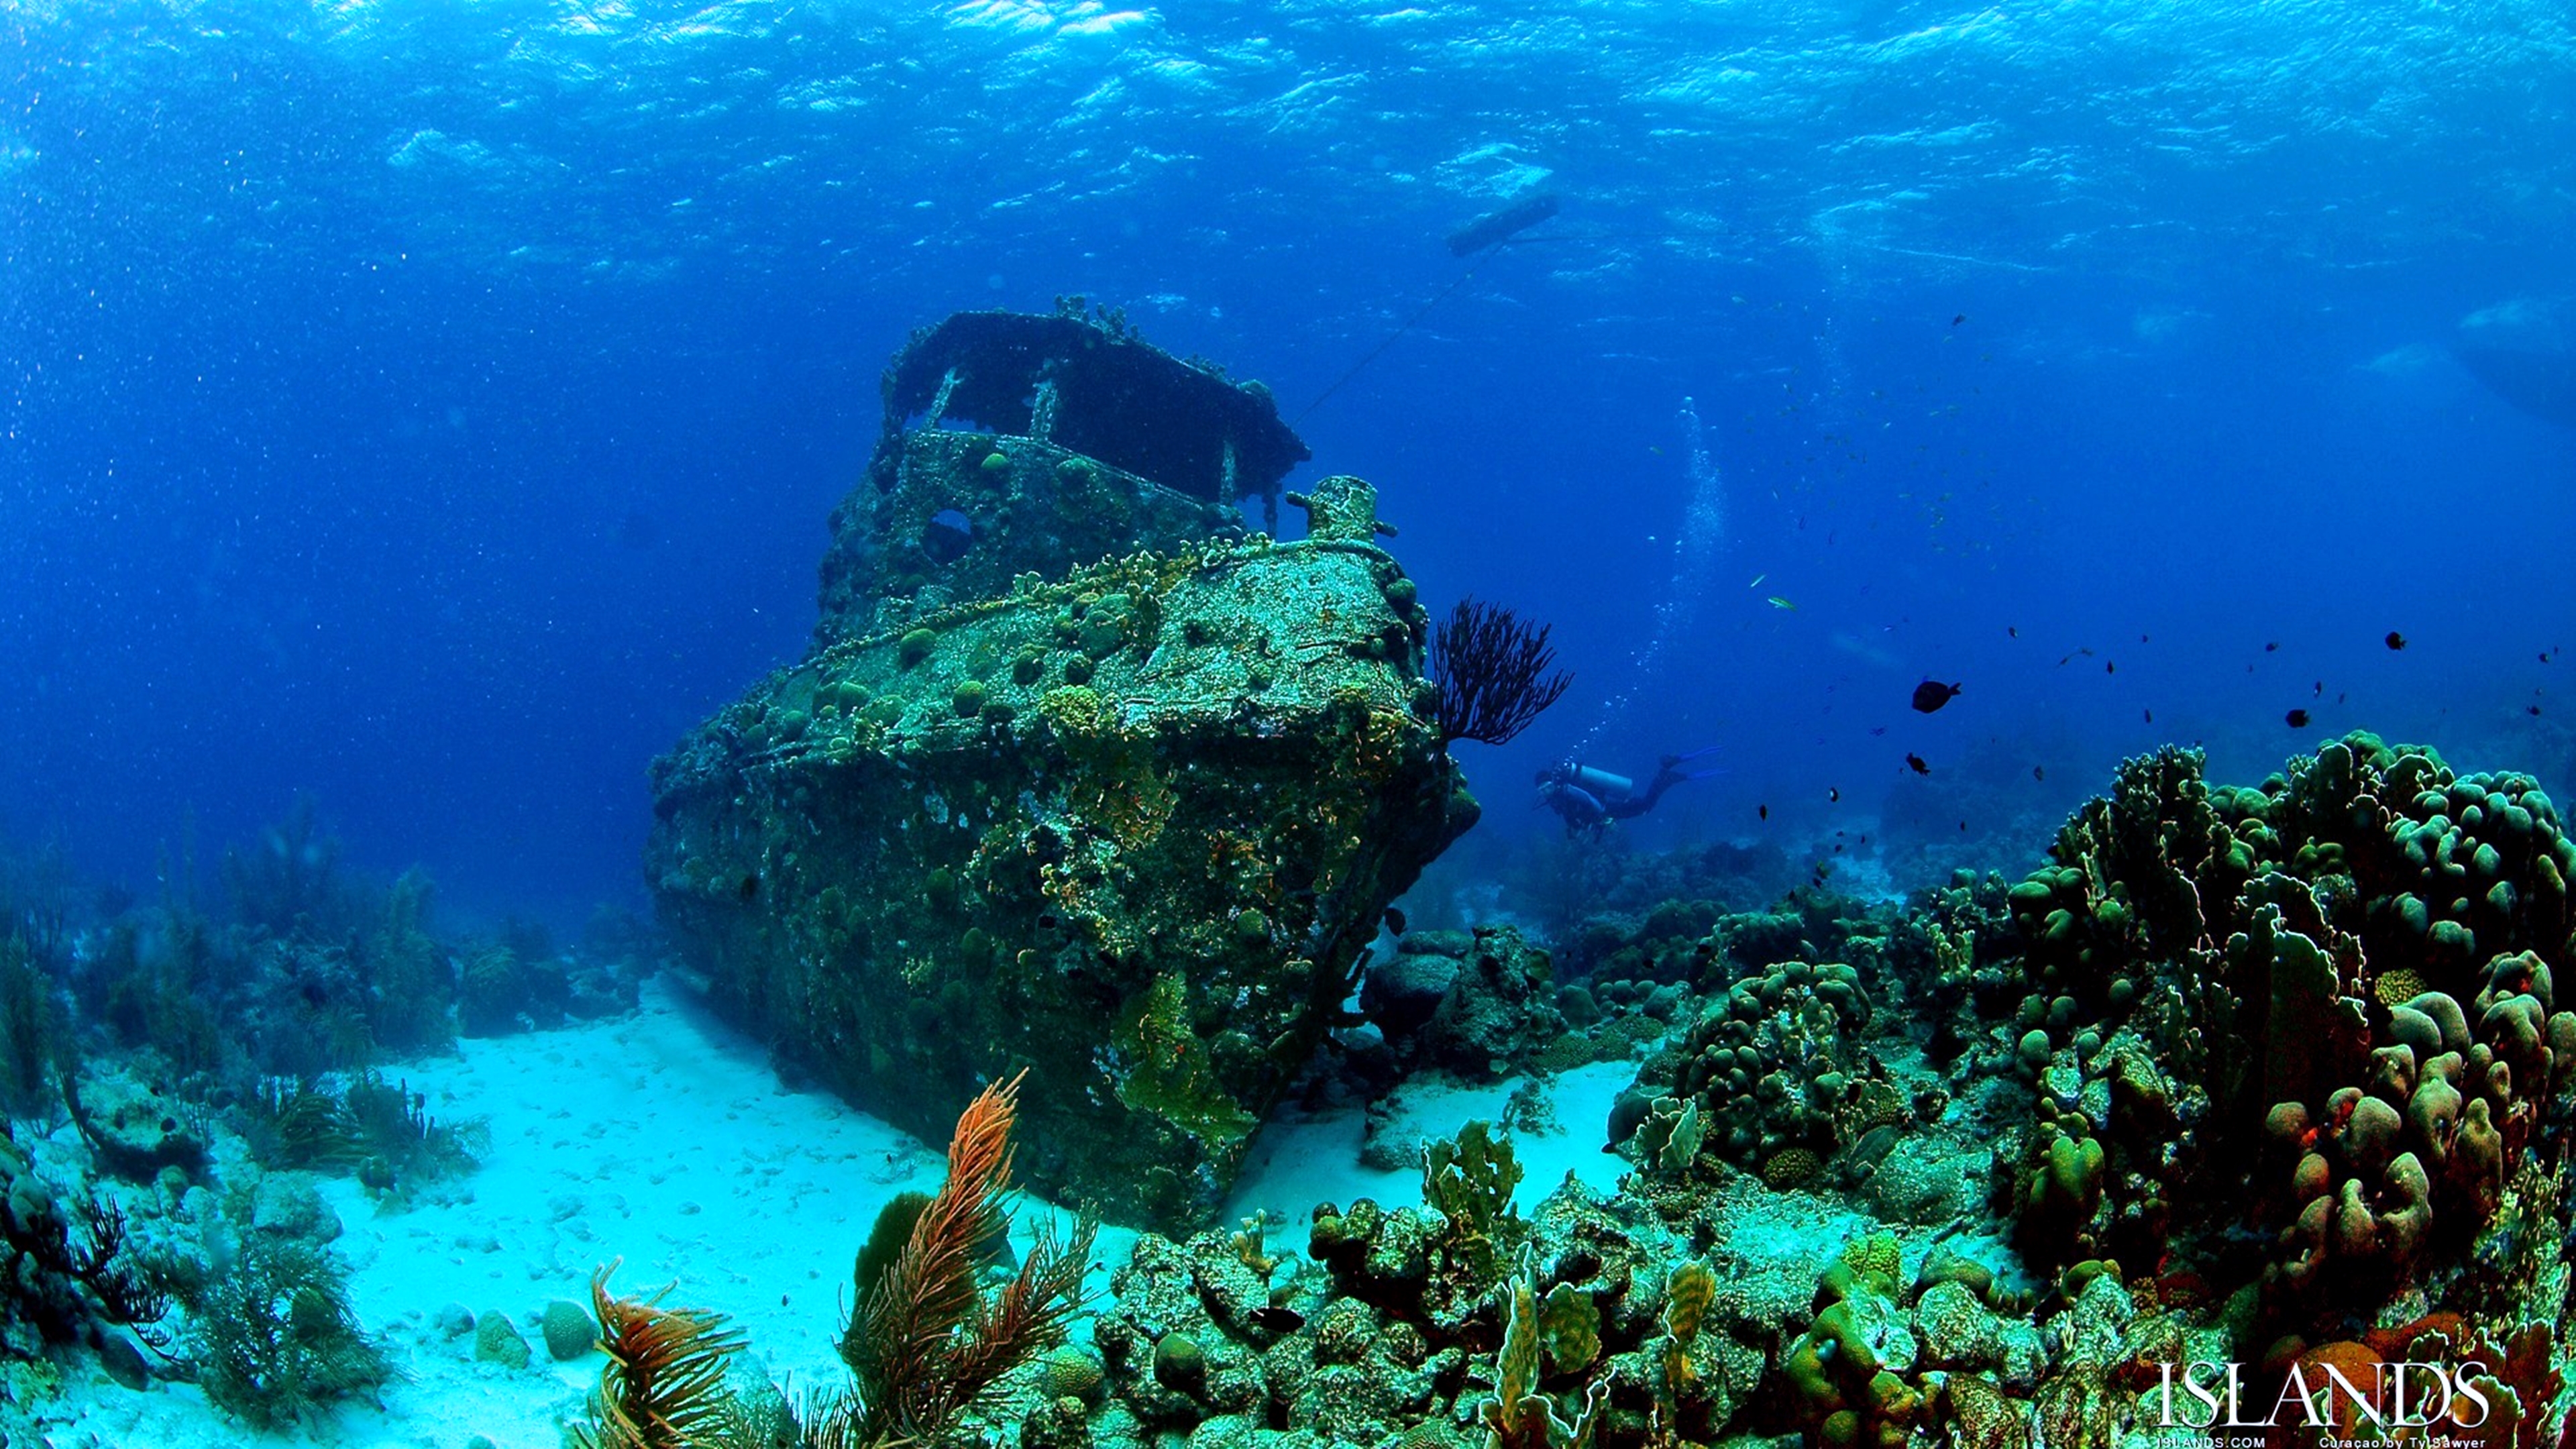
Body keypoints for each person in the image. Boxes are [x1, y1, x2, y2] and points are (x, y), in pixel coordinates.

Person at [1536, 747, 1721, 832]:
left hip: (1608, 808)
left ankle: (1665, 773)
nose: (1546, 791)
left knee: (1645, 807)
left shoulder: (1566, 790)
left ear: (1553, 782)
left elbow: (1588, 799)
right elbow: (1577, 816)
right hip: (1606, 811)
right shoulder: (1556, 799)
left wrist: (1603, 817)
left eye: (1548, 786)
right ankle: (1667, 773)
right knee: (1644, 807)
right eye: (1542, 790)